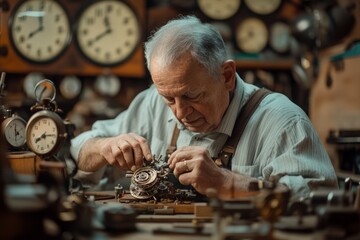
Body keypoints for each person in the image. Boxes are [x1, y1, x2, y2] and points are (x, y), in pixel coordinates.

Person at [70, 15, 338, 199]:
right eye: (169, 99)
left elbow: (322, 200)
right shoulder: (153, 102)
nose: (179, 113)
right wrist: (104, 147)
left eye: (192, 96)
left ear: (227, 76)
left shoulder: (282, 122)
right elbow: (74, 154)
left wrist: (227, 183)